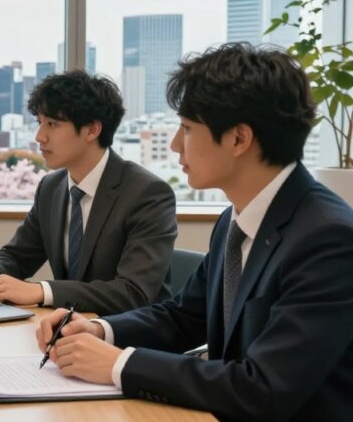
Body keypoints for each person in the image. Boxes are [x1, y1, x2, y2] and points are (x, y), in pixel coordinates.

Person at [36, 43, 353, 420]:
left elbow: (263, 388)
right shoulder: (235, 221)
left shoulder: (328, 240)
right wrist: (98, 329)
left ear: (239, 138)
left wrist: (120, 365)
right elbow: (182, 318)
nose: (174, 145)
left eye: (186, 128)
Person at [0, 70, 177, 315]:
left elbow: (133, 293)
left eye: (52, 124)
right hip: (66, 330)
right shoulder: (51, 187)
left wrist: (41, 291)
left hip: (129, 339)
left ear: (92, 130)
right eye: (39, 123)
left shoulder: (147, 194)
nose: (40, 137)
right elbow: (18, 255)